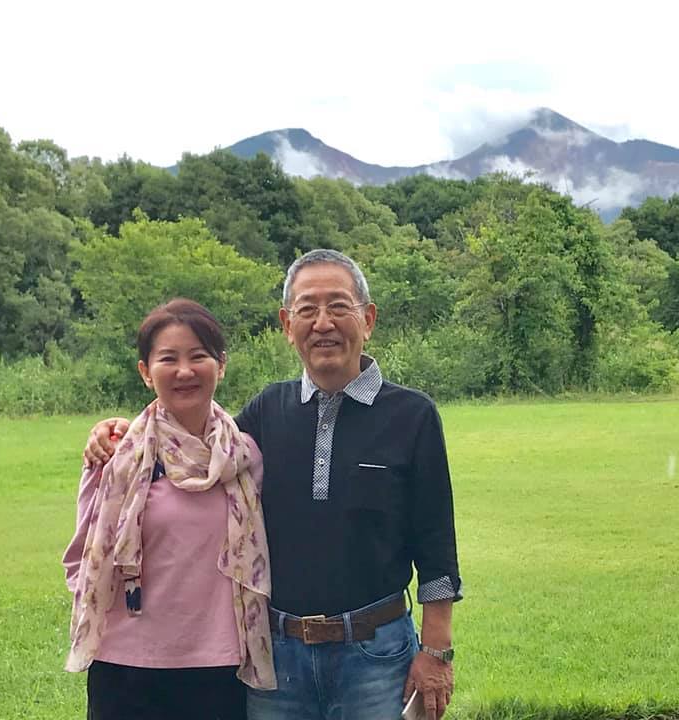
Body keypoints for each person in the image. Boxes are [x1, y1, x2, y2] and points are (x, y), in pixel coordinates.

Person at [84, 250, 462, 720]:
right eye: (306, 309)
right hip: (275, 660)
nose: (322, 322)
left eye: (338, 307)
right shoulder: (268, 411)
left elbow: (436, 545)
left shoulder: (412, 416)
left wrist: (437, 653)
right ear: (287, 324)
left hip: (376, 656)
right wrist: (123, 432)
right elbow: (199, 447)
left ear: (368, 319)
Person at [64, 298, 276, 720]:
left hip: (220, 666)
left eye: (199, 356)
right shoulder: (117, 455)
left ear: (221, 365)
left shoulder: (244, 456)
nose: (184, 371)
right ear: (146, 372)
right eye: (168, 359)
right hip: (126, 667)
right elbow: (82, 561)